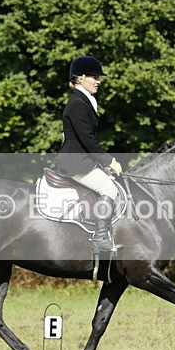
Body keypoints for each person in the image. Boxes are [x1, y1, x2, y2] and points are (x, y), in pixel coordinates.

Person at [58, 54, 123, 253]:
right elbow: (87, 139)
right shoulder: (77, 103)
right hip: (76, 162)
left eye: (98, 77)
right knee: (110, 190)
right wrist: (109, 160)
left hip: (83, 159)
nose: (98, 81)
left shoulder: (85, 100)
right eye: (94, 77)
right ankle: (100, 238)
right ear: (79, 78)